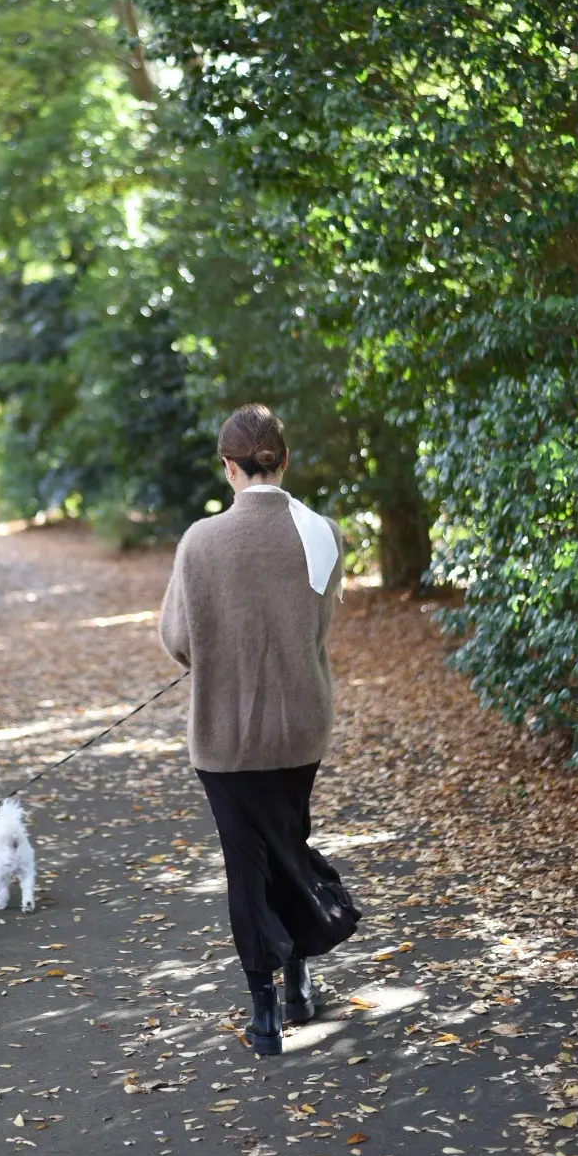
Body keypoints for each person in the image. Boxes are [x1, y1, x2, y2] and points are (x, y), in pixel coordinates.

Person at [158, 404, 360, 1056]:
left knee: (245, 865)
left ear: (229, 467)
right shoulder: (322, 532)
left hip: (224, 733)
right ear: (284, 459)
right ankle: (300, 980)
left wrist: (218, 654)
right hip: (301, 725)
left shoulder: (200, 541)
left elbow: (178, 639)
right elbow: (318, 631)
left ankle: (265, 1013)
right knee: (290, 840)